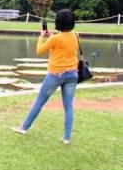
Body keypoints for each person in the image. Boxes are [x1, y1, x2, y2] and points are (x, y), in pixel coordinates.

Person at [12, 9, 79, 145]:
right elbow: (64, 43)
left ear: (58, 22)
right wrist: (53, 36)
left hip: (56, 74)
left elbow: (39, 51)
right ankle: (66, 138)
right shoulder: (76, 36)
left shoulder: (55, 38)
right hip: (72, 74)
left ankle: (24, 127)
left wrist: (42, 36)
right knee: (68, 106)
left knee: (39, 102)